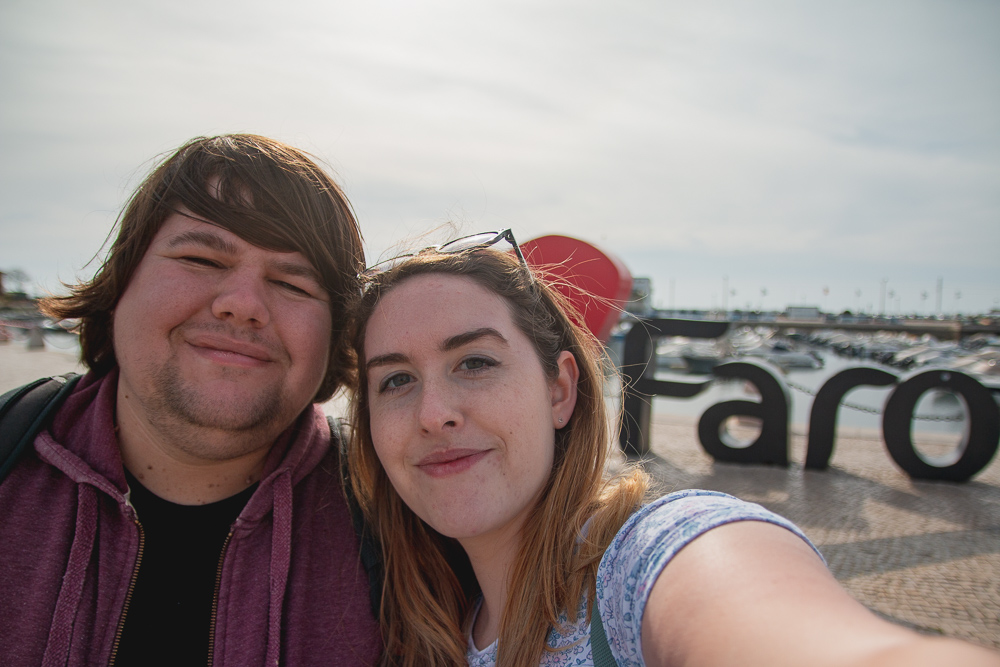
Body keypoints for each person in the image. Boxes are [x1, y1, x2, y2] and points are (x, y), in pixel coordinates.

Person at [346, 231, 1000, 666]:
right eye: (396, 379)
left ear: (560, 390)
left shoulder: (644, 558)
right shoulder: (415, 619)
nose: (434, 414)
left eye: (475, 362)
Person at [0, 135, 382, 666]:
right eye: (201, 258)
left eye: (294, 284)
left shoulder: (402, 530)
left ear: (335, 335)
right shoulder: (8, 456)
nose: (243, 305)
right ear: (120, 283)